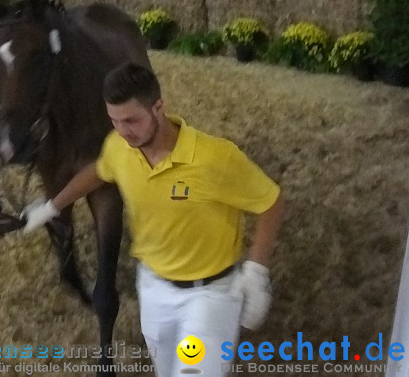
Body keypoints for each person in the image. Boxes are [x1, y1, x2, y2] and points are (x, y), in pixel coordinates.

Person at [22, 63, 284, 377]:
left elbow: (270, 201)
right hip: (153, 288)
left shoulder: (215, 158)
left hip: (209, 296)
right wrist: (52, 206)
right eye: (114, 121)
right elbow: (98, 171)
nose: (123, 130)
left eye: (131, 120)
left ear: (158, 107)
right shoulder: (119, 148)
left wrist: (256, 271)